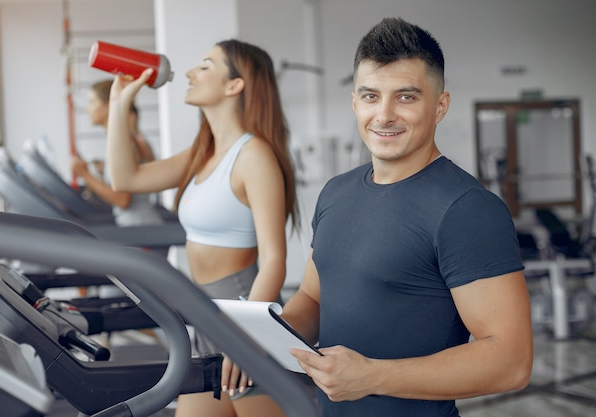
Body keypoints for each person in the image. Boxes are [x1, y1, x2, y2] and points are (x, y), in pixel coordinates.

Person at [225, 17, 534, 417]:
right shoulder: (336, 192)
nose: (384, 115)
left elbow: (512, 361)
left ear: (440, 106)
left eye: (406, 98)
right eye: (371, 97)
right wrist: (259, 340)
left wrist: (373, 376)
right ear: (355, 102)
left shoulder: (467, 209)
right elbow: (313, 298)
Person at [105, 39, 298, 417]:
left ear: (234, 85)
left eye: (206, 66)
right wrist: (119, 105)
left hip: (241, 318)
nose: (191, 73)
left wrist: (248, 338)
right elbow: (124, 179)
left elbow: (275, 258)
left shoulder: (253, 155)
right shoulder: (203, 153)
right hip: (204, 317)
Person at [71, 79, 163, 227]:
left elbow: (123, 200)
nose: (88, 109)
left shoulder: (124, 143)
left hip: (142, 233)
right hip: (138, 228)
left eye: (92, 102)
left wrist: (85, 175)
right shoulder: (122, 140)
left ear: (108, 106)